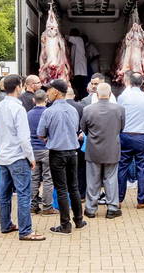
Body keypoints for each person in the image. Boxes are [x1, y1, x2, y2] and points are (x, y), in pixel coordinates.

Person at [0, 74, 45, 241]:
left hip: (3, 155)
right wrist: (30, 157)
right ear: (18, 87)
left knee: (4, 193)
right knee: (24, 194)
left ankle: (6, 224)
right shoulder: (19, 108)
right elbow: (24, 137)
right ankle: (25, 231)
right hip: (17, 156)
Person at [37, 79, 87, 234]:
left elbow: (41, 133)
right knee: (74, 187)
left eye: (49, 90)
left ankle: (65, 224)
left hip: (57, 153)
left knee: (61, 188)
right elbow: (76, 129)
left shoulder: (49, 111)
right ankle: (78, 220)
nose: (47, 93)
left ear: (56, 92)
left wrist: (49, 138)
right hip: (73, 152)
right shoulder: (73, 110)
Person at [80, 83, 125, 219]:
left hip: (93, 149)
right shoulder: (119, 109)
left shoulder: (88, 109)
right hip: (112, 148)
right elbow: (121, 128)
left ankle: (90, 209)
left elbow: (84, 129)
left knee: (93, 180)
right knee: (111, 179)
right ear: (110, 94)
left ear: (97, 94)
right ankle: (112, 208)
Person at [117, 72, 144, 209]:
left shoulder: (122, 97)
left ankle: (119, 199)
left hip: (125, 134)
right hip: (142, 135)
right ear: (142, 83)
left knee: (122, 166)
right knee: (142, 168)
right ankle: (141, 200)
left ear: (130, 82)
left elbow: (119, 115)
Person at [27, 90, 59, 216]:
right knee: (48, 179)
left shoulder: (28, 114)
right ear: (46, 100)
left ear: (33, 100)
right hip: (46, 148)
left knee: (34, 178)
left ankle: (33, 206)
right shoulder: (49, 112)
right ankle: (47, 206)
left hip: (33, 149)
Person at [65, 87, 86, 201]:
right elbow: (85, 124)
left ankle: (68, 193)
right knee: (81, 168)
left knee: (65, 169)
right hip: (79, 140)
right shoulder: (81, 107)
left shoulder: (57, 107)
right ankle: (81, 194)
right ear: (73, 95)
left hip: (64, 142)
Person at [67, 29, 88, 100]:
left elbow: (68, 38)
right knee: (77, 87)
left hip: (80, 70)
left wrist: (60, 35)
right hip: (77, 70)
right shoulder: (74, 44)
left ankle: (82, 101)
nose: (70, 35)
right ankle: (79, 100)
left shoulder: (79, 40)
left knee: (80, 88)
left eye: (71, 34)